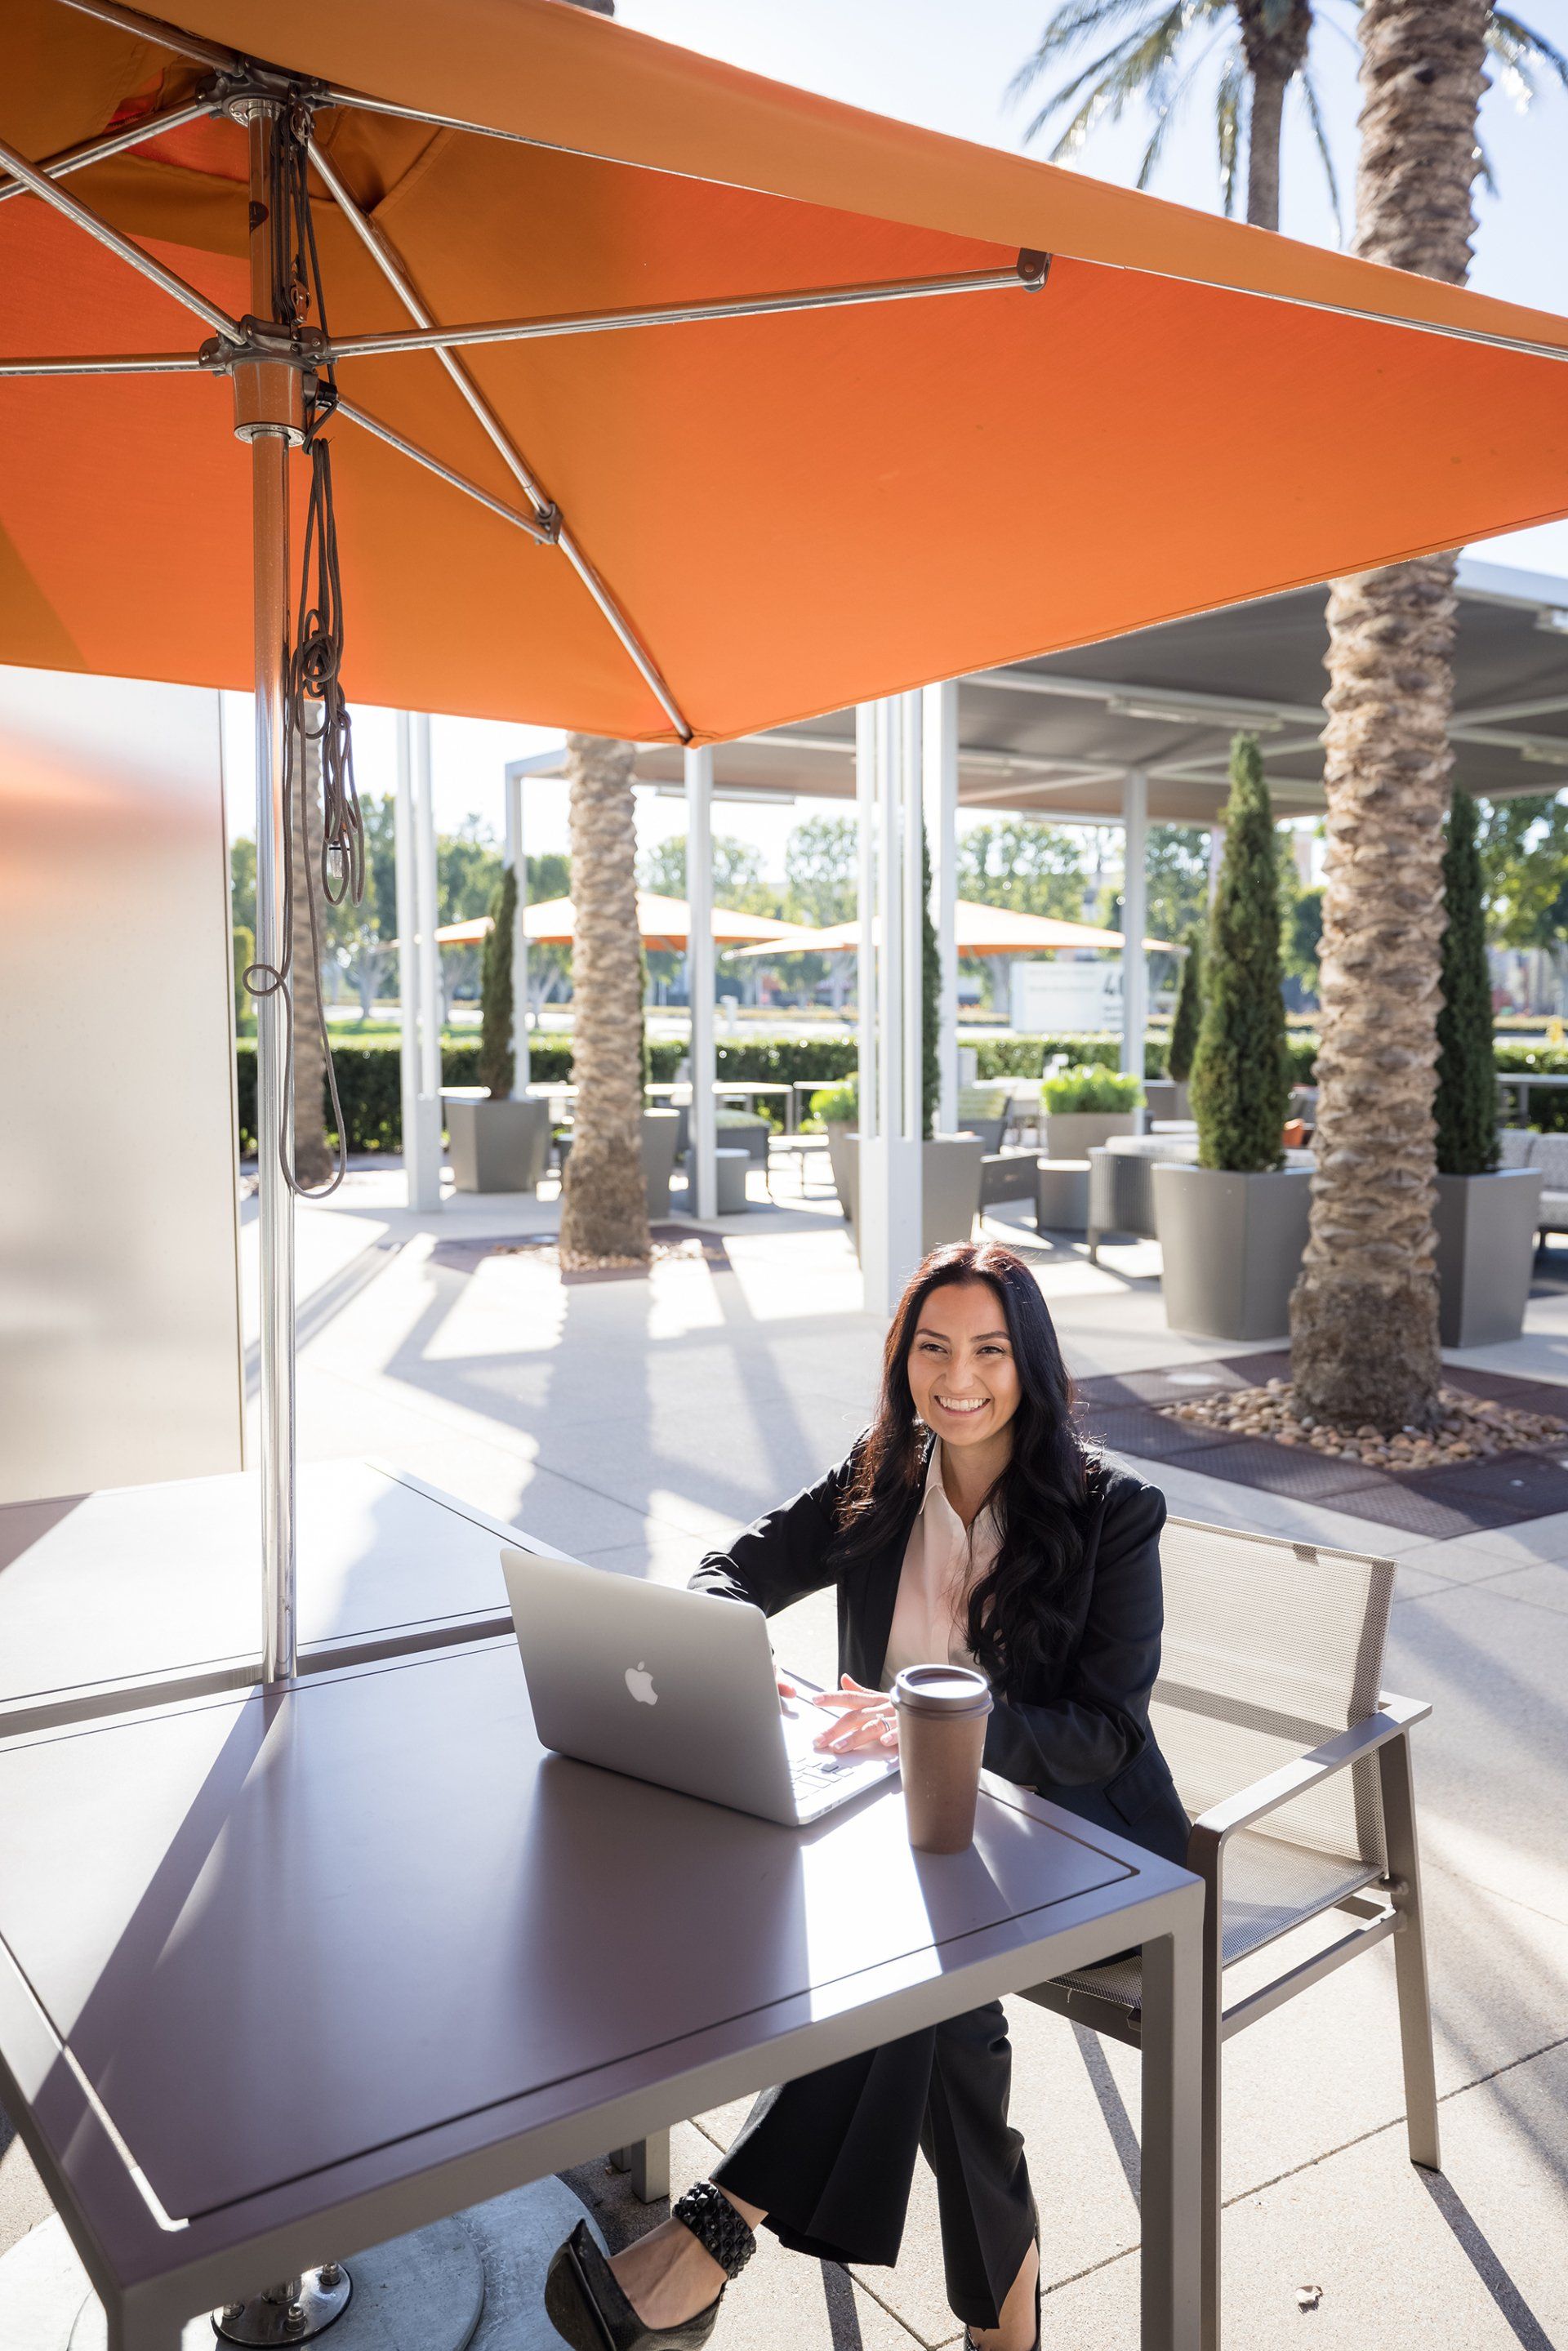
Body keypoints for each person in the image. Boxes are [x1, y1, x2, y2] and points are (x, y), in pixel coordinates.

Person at [546, 1241, 1188, 2351]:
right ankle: (1006, 2335)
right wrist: (725, 1656)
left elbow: (1106, 1731)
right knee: (946, 2026)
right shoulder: (881, 1475)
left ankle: (716, 2228)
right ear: (904, 1366)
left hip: (1071, 1841)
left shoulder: (1110, 1513)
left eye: (989, 1350)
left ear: (1029, 1364)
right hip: (906, 1840)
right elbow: (732, 1572)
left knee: (906, 1973)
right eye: (932, 1349)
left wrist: (926, 1730)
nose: (959, 1378)